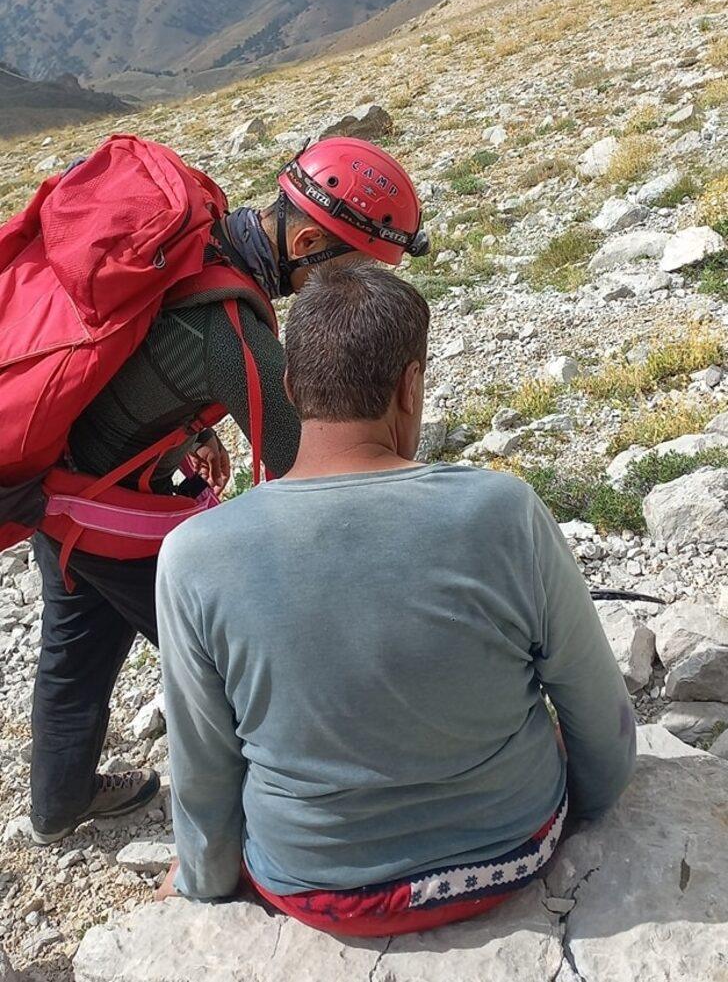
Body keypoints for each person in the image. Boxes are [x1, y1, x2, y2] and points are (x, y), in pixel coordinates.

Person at [155, 261, 636, 937]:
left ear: (291, 387)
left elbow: (204, 766)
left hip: (312, 885)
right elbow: (600, 726)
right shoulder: (504, 511)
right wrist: (591, 799)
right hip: (511, 850)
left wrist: (204, 880)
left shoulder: (193, 554)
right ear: (410, 387)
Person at [28, 138, 428, 846]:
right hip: (105, 512)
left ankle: (61, 800)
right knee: (229, 653)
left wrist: (184, 432)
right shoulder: (230, 326)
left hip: (54, 485)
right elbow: (315, 462)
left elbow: (132, 367)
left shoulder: (196, 238)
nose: (358, 289)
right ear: (305, 240)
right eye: (354, 267)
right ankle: (286, 811)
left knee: (77, 642)